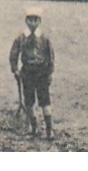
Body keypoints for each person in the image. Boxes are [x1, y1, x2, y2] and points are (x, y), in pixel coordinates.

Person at [9, 8, 55, 139]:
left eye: (35, 20)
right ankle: (33, 127)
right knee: (29, 101)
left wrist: (50, 72)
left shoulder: (45, 38)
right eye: (30, 20)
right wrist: (15, 69)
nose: (33, 23)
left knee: (45, 101)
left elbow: (50, 56)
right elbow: (13, 54)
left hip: (41, 72)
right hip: (27, 72)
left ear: (39, 21)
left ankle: (49, 129)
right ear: (26, 21)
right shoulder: (21, 38)